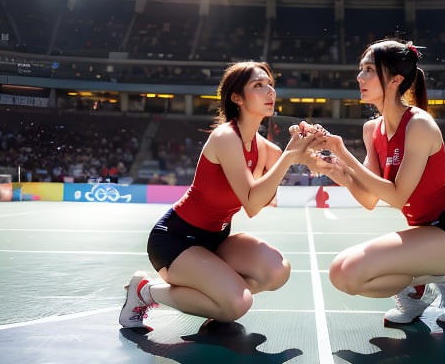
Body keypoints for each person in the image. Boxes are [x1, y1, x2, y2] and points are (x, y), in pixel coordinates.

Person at [120, 61, 321, 329]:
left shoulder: (261, 145)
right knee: (238, 305)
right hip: (176, 241)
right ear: (237, 97)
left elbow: (310, 164)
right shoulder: (226, 137)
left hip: (216, 240)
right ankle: (145, 291)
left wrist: (318, 147)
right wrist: (290, 157)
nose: (270, 91)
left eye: (270, 84)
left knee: (277, 271)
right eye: (258, 85)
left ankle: (219, 296)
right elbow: (252, 204)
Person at [310, 38, 445, 325]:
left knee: (350, 270)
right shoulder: (372, 129)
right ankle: (419, 293)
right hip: (424, 233)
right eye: (361, 69)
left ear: (395, 80)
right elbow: (368, 198)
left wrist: (343, 152)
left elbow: (397, 197)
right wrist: (332, 169)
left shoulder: (419, 125)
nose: (359, 77)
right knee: (342, 273)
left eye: (368, 70)